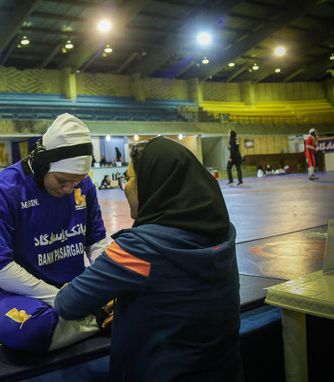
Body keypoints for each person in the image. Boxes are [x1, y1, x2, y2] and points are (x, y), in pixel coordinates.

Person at [54, 137, 243, 381]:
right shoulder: (224, 232)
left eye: (129, 179)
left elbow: (68, 302)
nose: (124, 187)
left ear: (154, 184)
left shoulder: (140, 248)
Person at [0, 113, 109, 352]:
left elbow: (97, 242)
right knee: (23, 328)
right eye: (62, 181)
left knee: (138, 291)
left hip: (77, 288)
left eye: (77, 181)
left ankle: (75, 324)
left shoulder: (83, 186)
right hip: (24, 296)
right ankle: (97, 320)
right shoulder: (4, 190)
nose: (70, 189)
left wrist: (109, 286)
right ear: (42, 165)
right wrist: (61, 299)